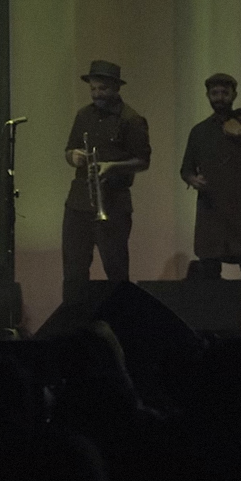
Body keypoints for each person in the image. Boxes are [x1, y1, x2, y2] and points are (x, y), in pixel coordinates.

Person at [180, 73, 241, 321]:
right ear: (208, 96)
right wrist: (192, 179)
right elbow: (186, 169)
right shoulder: (199, 132)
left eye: (224, 93)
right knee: (210, 271)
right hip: (212, 211)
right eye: (215, 93)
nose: (220, 98)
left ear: (234, 95)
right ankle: (216, 325)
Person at [61, 60, 150, 306]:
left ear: (116, 88)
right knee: (74, 271)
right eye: (93, 89)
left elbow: (143, 161)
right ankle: (74, 320)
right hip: (79, 202)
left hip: (114, 202)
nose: (97, 94)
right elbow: (69, 150)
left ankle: (121, 320)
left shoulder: (131, 119)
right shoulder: (83, 115)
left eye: (103, 89)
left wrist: (112, 167)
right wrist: (73, 156)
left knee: (116, 270)